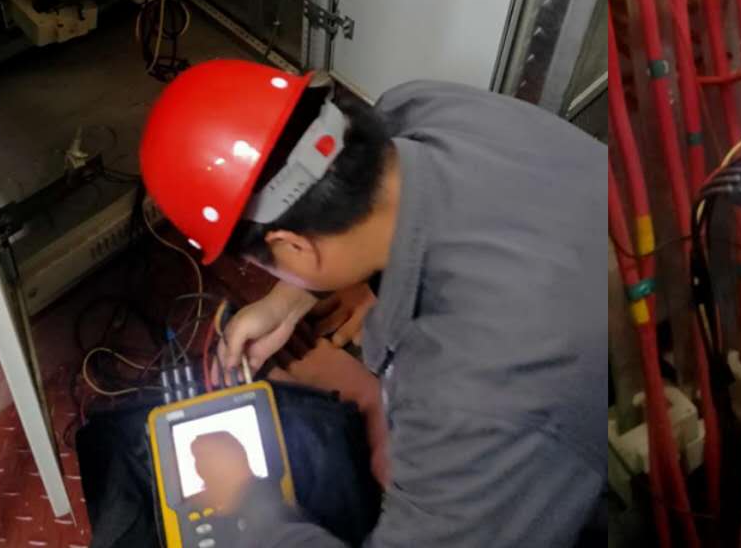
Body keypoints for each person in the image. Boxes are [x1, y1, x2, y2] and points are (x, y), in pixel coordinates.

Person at [138, 61, 606, 546]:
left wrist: (244, 501)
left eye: (275, 267)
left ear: (294, 246)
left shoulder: (469, 399)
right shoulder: (425, 106)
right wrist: (289, 300)